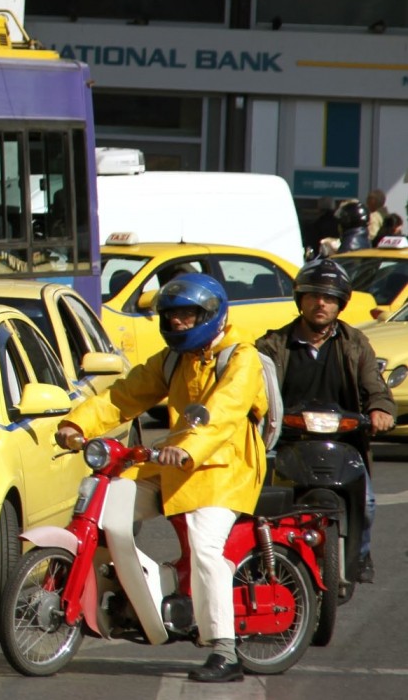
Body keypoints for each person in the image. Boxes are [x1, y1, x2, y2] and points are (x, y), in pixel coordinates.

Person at [55, 273, 267, 685]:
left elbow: (224, 412)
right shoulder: (173, 359)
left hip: (226, 468)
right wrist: (75, 424)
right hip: (173, 463)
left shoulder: (242, 357)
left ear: (211, 315)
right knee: (107, 503)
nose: (178, 324)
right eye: (171, 317)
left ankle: (224, 649)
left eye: (187, 316)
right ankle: (140, 597)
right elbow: (125, 395)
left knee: (205, 548)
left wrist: (189, 448)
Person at [255, 260, 396, 583]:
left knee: (369, 503)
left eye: (330, 298)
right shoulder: (273, 344)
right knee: (262, 503)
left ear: (340, 304)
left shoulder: (355, 343)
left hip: (345, 445)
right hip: (287, 442)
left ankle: (359, 556)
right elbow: (255, 390)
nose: (321, 303)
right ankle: (266, 563)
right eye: (314, 295)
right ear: (300, 299)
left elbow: (375, 386)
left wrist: (380, 410)